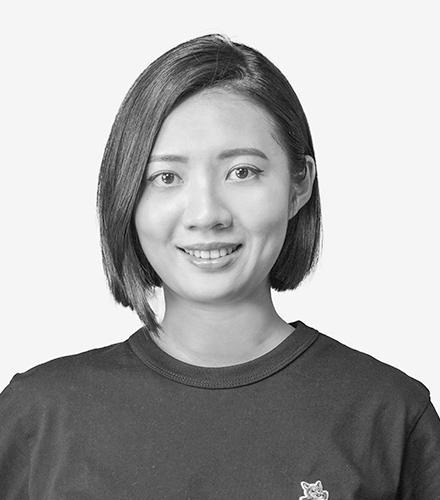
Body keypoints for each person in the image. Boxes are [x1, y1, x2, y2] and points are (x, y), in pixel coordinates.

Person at [0, 33, 439, 499]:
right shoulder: (38, 417)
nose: (206, 214)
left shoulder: (389, 415)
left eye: (242, 172)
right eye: (166, 177)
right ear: (125, 194)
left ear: (299, 185)